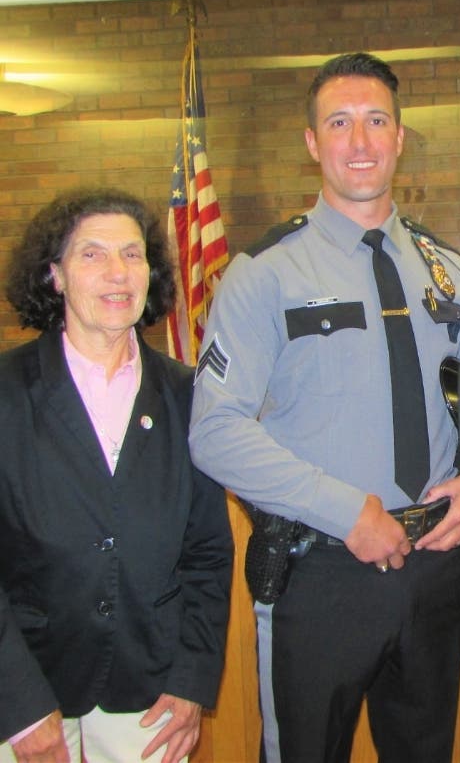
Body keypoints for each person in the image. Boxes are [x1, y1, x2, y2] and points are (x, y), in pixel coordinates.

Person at [188, 52, 460, 762]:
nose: (360, 142)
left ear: (400, 138)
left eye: (376, 122)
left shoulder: (447, 269)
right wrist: (348, 513)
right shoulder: (264, 273)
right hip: (321, 571)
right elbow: (214, 432)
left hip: (436, 566)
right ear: (313, 143)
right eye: (339, 123)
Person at [0, 188, 233, 763]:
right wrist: (19, 705)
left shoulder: (186, 395)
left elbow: (207, 553)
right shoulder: (7, 393)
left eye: (132, 255)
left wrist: (191, 680)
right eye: (92, 255)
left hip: (150, 695)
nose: (117, 273)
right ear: (54, 275)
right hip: (28, 685)